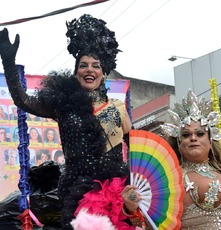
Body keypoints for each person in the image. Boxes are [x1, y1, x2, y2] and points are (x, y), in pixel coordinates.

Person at [0, 14, 135, 229]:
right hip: (79, 193)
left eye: (95, 65)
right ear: (76, 72)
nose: (89, 70)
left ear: (103, 72)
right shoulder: (63, 105)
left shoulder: (117, 107)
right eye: (84, 65)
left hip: (117, 194)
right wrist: (8, 62)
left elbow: (137, 148)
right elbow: (23, 100)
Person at [160, 89, 221, 230]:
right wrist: (131, 210)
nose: (193, 138)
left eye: (200, 134)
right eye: (186, 135)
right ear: (179, 142)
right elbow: (153, 224)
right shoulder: (171, 180)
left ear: (211, 140)